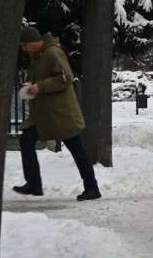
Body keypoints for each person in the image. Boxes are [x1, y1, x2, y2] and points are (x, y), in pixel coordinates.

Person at [14, 26, 101, 201]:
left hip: (61, 114)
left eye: (24, 45)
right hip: (46, 114)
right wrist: (30, 86)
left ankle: (92, 188)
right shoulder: (38, 56)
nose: (23, 49)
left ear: (33, 42)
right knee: (26, 140)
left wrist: (40, 86)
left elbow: (65, 78)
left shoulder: (52, 53)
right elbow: (41, 79)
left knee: (77, 148)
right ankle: (34, 184)